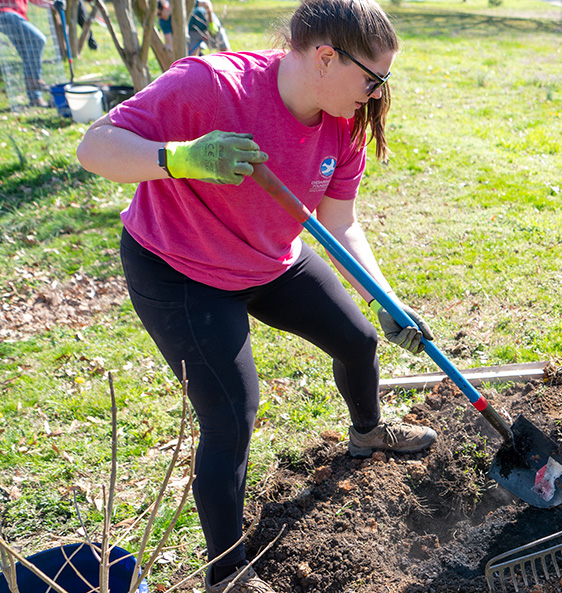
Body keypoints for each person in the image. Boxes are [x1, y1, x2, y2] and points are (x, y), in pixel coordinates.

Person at [76, 0, 438, 590]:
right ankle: (227, 572)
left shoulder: (341, 123)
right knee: (231, 415)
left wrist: (382, 296)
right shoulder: (209, 84)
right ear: (326, 57)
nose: (376, 94)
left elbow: (340, 222)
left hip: (269, 257)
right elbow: (94, 147)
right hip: (182, 268)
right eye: (373, 79)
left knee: (359, 340)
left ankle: (368, 435)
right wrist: (182, 158)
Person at [0, 0, 49, 108]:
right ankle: (33, 80)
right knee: (38, 40)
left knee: (28, 55)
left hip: (17, 15)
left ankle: (35, 98)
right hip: (6, 14)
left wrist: (52, 5)